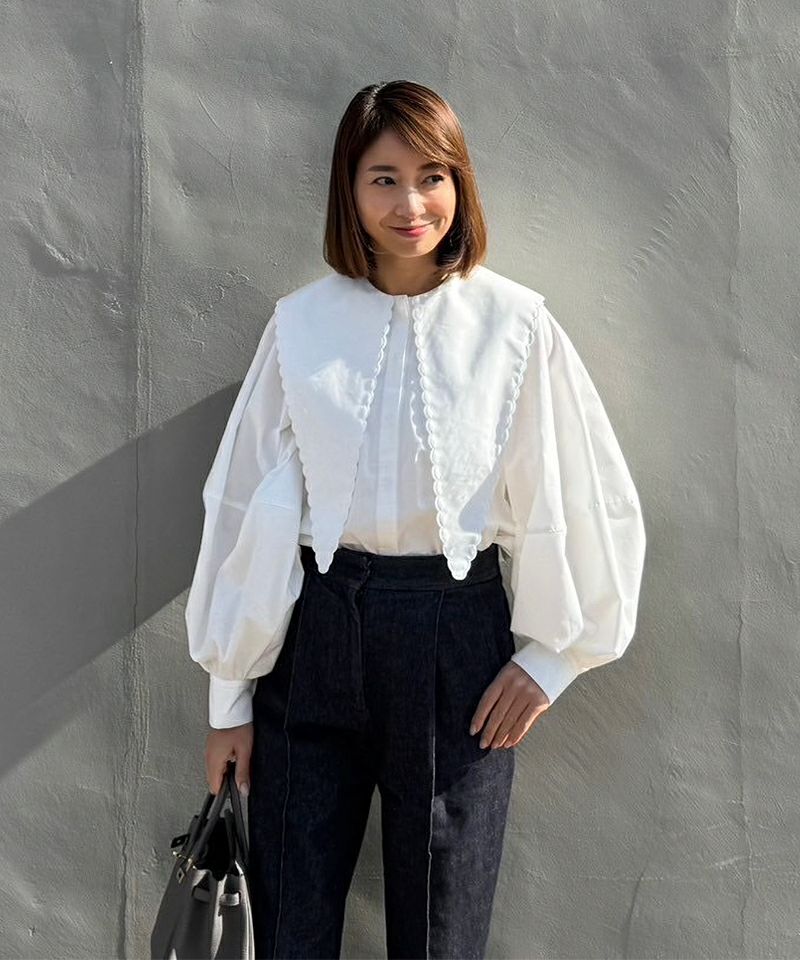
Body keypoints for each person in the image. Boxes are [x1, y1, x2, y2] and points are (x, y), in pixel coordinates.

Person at [184, 80, 647, 960]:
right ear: (349, 191)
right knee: (285, 929)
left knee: (440, 933)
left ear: (460, 184)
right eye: (384, 179)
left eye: (432, 177)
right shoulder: (302, 325)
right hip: (316, 635)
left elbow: (578, 493)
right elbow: (249, 505)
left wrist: (552, 659)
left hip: (454, 639)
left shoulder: (514, 325)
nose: (411, 204)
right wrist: (229, 697)